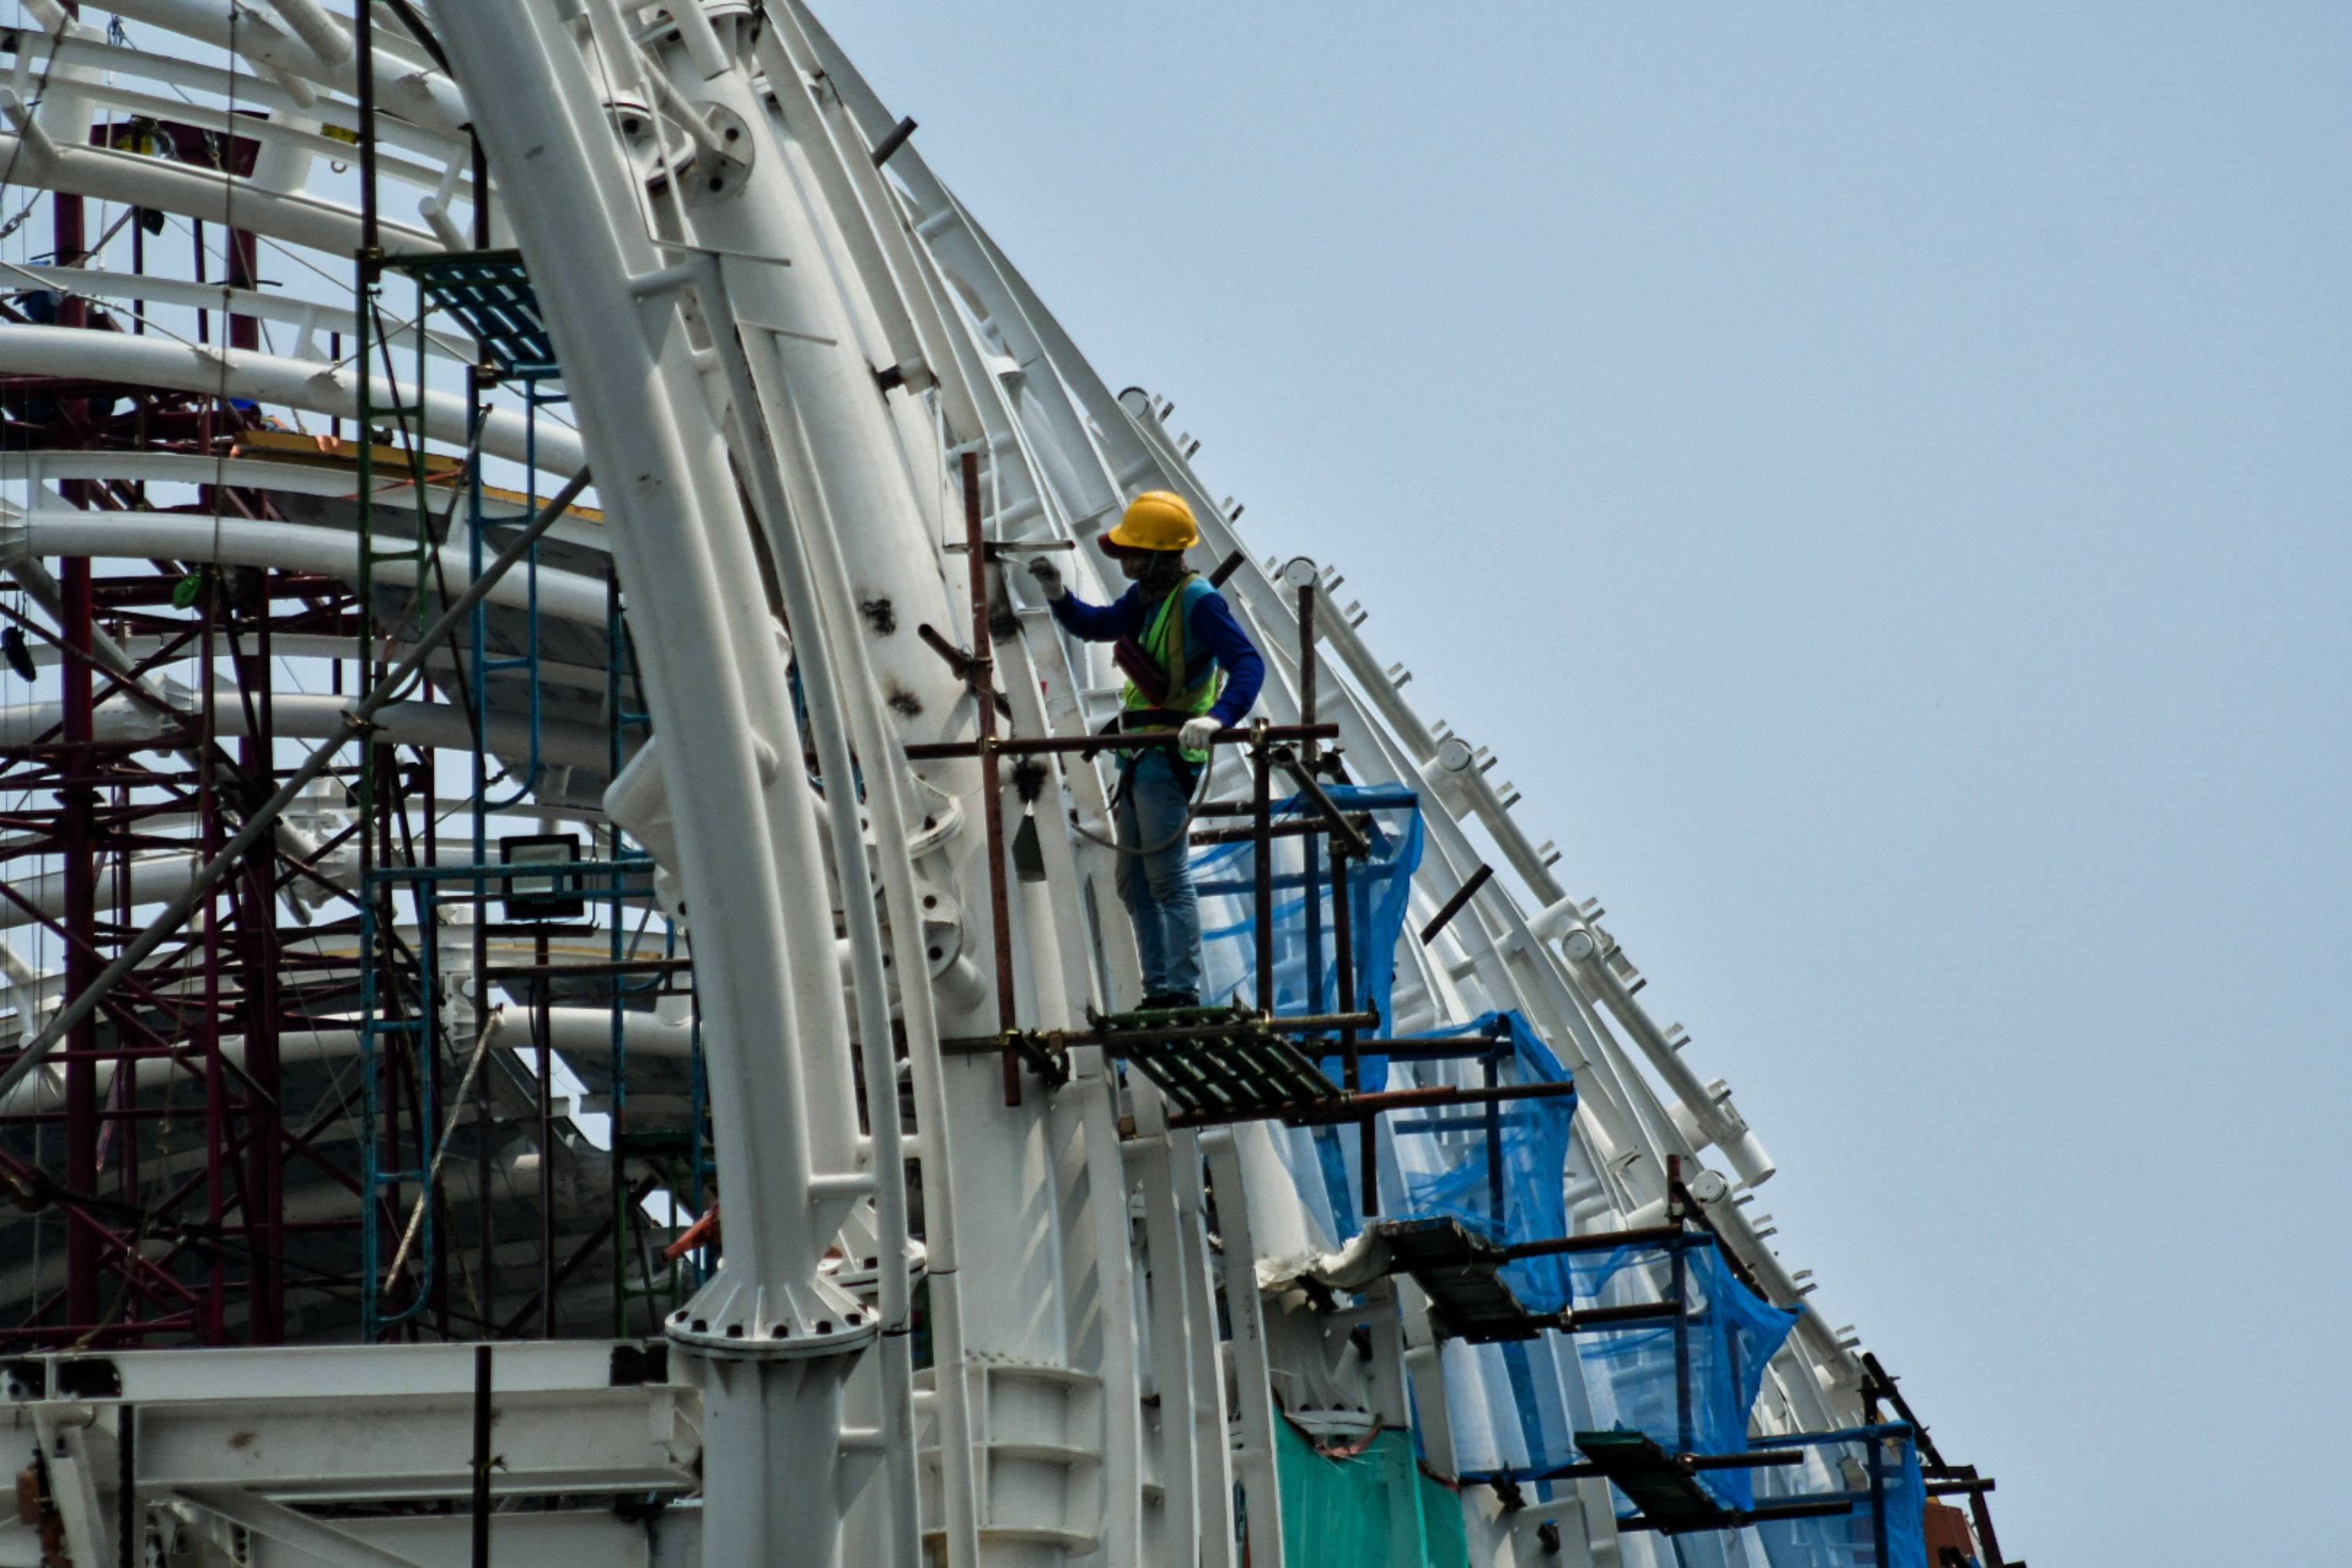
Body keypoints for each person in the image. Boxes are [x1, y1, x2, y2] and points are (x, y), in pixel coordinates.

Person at [1028, 491, 1264, 1010]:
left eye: (1133, 552)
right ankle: (1159, 991)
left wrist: (1217, 718)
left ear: (1158, 554)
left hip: (1166, 754)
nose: (1125, 561)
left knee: (1166, 878)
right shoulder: (1147, 598)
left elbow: (1248, 663)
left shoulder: (1198, 600)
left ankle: (1180, 990)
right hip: (1137, 754)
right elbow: (1099, 625)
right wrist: (1057, 594)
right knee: (1134, 883)